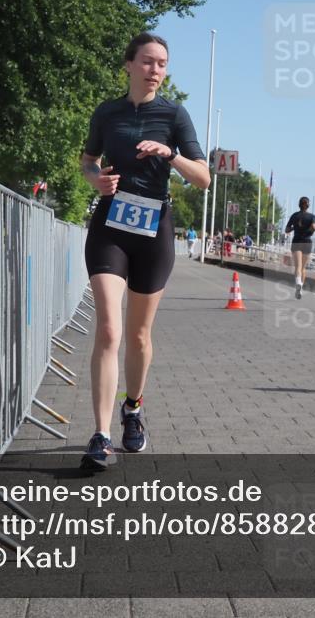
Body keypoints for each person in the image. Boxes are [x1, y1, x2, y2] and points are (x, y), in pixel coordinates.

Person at [78, 32, 210, 469]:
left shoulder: (174, 115)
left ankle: (132, 409)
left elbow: (203, 178)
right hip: (110, 226)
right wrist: (95, 179)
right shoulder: (107, 112)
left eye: (163, 64)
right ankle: (99, 435)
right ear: (129, 64)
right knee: (110, 331)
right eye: (149, 62)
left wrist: (170, 155)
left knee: (138, 335)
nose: (156, 70)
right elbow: (87, 160)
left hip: (154, 230)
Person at [285, 197, 315, 299]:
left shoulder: (294, 216)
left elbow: (287, 230)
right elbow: (314, 227)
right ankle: (300, 288)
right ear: (308, 205)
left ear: (299, 204)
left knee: (297, 267)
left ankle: (298, 283)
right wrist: (310, 230)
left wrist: (295, 227)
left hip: (297, 241)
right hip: (307, 242)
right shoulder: (312, 216)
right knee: (303, 268)